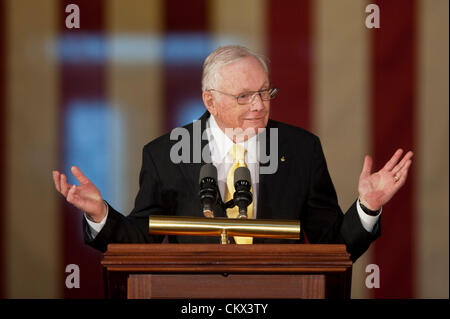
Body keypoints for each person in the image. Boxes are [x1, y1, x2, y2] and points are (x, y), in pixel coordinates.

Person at [52, 45, 413, 262]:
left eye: (264, 92)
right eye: (243, 97)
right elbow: (140, 241)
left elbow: (332, 247)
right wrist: (100, 214)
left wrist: (367, 207)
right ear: (210, 100)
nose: (258, 105)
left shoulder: (302, 150)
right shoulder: (165, 155)